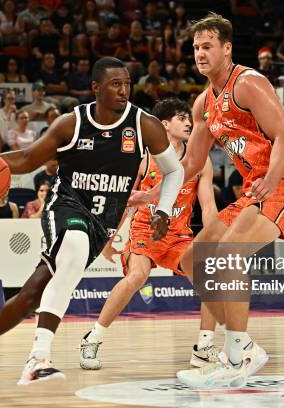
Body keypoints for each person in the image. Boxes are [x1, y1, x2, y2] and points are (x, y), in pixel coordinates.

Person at [0, 57, 182, 387]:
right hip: (64, 205)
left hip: (102, 223)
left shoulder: (143, 125)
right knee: (74, 248)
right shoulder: (71, 123)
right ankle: (38, 358)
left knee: (32, 295)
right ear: (96, 88)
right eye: (115, 84)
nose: (124, 90)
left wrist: (164, 210)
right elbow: (26, 158)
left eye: (126, 83)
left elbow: (174, 170)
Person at [131, 13, 284, 389]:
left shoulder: (248, 84)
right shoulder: (202, 104)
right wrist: (155, 193)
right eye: (196, 47)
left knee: (228, 252)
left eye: (208, 46)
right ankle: (239, 344)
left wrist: (273, 177)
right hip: (254, 189)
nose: (200, 53)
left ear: (227, 49)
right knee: (191, 257)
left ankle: (238, 353)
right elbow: (193, 164)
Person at [79, 98, 219, 370]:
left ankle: (204, 346)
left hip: (179, 236)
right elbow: (123, 201)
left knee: (210, 276)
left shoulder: (200, 162)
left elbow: (209, 207)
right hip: (145, 231)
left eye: (189, 118)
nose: (189, 122)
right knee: (138, 276)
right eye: (181, 118)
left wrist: (215, 238)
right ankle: (92, 337)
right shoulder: (143, 159)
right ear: (164, 125)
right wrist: (109, 239)